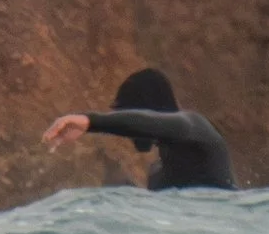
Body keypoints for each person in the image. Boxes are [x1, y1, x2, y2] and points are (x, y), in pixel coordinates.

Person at [42, 67, 235, 191]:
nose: (131, 134)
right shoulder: (157, 174)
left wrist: (90, 122)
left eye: (127, 113)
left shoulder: (193, 127)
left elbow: (146, 123)